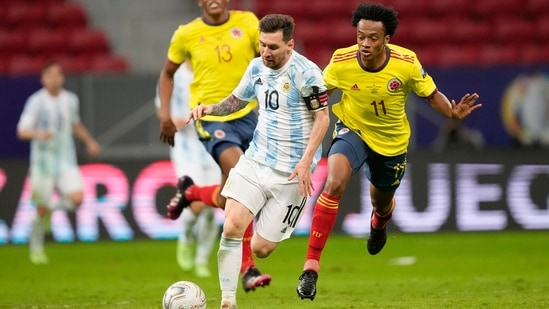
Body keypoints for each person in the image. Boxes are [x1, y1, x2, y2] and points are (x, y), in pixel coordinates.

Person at [296, 2, 482, 300]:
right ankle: (311, 267)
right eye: (360, 37)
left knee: (380, 201)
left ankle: (379, 222)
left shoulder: (406, 63)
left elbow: (431, 95)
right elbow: (320, 96)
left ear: (386, 40)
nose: (365, 44)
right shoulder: (341, 61)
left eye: (372, 38)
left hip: (392, 143)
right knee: (333, 182)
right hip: (352, 130)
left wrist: (451, 111)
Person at [187, 13, 330, 309]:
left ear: (290, 45)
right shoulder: (256, 68)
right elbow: (237, 101)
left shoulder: (308, 73)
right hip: (256, 160)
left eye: (273, 47)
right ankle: (228, 302)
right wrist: (210, 108)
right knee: (232, 226)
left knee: (261, 249)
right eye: (263, 45)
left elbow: (322, 118)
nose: (266, 52)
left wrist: (306, 162)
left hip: (292, 172)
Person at [157, 0, 271, 291]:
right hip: (210, 119)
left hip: (249, 116)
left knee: (225, 198)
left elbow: (269, 59)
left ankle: (191, 192)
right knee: (242, 180)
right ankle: (247, 268)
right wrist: (165, 115)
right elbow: (167, 73)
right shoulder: (186, 34)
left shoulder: (248, 23)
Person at [16, 60, 101, 264]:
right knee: (41, 208)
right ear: (43, 78)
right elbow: (21, 131)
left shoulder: (70, 100)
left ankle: (51, 207)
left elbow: (75, 124)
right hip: (42, 163)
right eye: (50, 74)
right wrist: (39, 134)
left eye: (58, 74)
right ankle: (36, 248)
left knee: (77, 199)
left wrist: (89, 141)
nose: (55, 78)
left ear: (63, 78)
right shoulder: (36, 102)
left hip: (66, 160)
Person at [154, 62, 220, 278]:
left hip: (213, 145)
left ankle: (202, 259)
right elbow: (160, 108)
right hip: (185, 147)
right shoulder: (173, 75)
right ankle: (186, 235)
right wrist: (172, 121)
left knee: (214, 205)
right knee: (198, 204)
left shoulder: (213, 70)